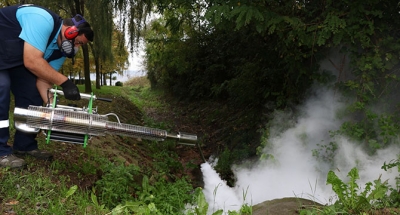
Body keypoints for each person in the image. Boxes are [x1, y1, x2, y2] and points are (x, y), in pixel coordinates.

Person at [0, 4, 94, 168]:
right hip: (6, 50)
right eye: (78, 42)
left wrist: (54, 108)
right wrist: (65, 82)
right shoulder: (42, 20)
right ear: (70, 31)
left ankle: (25, 145)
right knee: (2, 87)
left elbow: (44, 80)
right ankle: (1, 152)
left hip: (14, 60)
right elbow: (32, 61)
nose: (76, 48)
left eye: (80, 46)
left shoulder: (60, 52)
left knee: (32, 93)